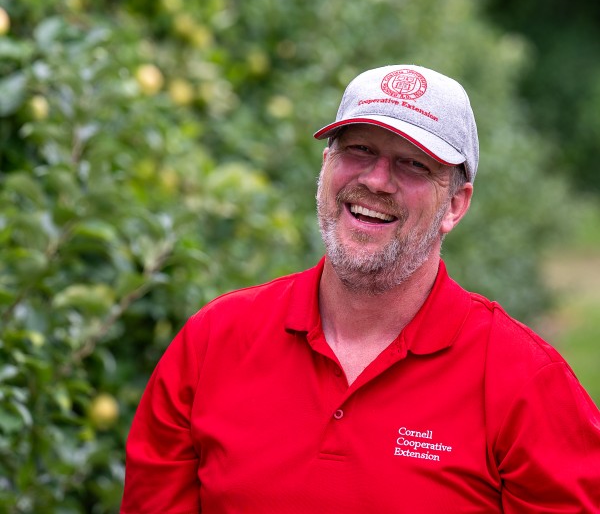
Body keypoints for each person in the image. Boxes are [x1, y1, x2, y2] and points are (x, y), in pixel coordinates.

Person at [121, 65, 600, 513]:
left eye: (413, 164)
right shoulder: (214, 343)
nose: (376, 180)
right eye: (359, 150)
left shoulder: (524, 382)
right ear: (326, 167)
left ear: (455, 205)